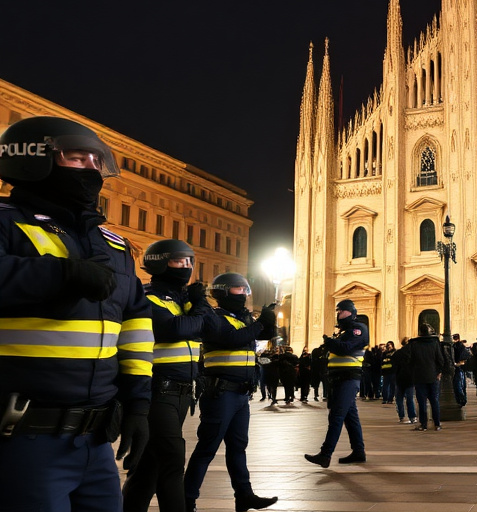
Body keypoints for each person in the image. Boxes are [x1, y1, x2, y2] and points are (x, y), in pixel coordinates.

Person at [0, 116, 153, 510]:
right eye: (76, 157)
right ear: (31, 158)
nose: (91, 168)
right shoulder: (5, 221)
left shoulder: (112, 244)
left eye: (96, 160)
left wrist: (138, 403)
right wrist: (62, 274)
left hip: (96, 440)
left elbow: (136, 322)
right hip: (22, 434)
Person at [123, 240, 208, 512]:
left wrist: (196, 306)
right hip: (158, 391)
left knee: (150, 467)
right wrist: (200, 305)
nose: (187, 267)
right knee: (172, 460)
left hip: (182, 392)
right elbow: (175, 329)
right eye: (179, 261)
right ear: (159, 262)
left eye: (189, 261)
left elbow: (205, 328)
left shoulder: (184, 301)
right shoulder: (147, 296)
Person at [183, 272, 277, 512]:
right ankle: (187, 500)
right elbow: (232, 338)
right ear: (223, 292)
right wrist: (259, 322)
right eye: (238, 289)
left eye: (245, 289)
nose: (243, 294)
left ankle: (244, 496)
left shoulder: (243, 318)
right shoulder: (213, 317)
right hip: (220, 393)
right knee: (207, 448)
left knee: (238, 447)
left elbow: (264, 335)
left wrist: (269, 318)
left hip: (240, 395)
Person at [305, 300, 369, 467]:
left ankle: (325, 454)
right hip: (339, 378)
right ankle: (358, 451)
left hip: (348, 378)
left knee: (336, 416)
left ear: (349, 312)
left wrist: (330, 342)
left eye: (340, 311)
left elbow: (345, 348)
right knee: (350, 417)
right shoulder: (343, 332)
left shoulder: (358, 329)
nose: (338, 313)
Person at [408, 323, 446, 431]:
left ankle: (423, 424)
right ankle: (437, 424)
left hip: (419, 377)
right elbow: (441, 360)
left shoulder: (414, 344)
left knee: (422, 402)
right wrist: (438, 372)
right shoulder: (434, 343)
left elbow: (410, 361)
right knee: (434, 401)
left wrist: (414, 373)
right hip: (433, 376)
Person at [451, 334, 470, 407]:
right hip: (460, 367)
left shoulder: (455, 346)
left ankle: (461, 399)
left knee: (458, 384)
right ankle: (462, 399)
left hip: (457, 366)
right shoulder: (462, 346)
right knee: (461, 384)